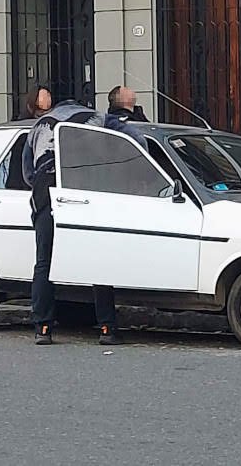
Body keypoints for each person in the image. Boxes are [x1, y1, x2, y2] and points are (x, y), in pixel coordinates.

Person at [22, 99, 147, 346]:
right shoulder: (100, 119)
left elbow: (27, 172)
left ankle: (43, 328)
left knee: (44, 261)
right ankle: (107, 329)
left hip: (45, 191)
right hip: (86, 188)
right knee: (96, 259)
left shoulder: (39, 125)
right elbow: (138, 141)